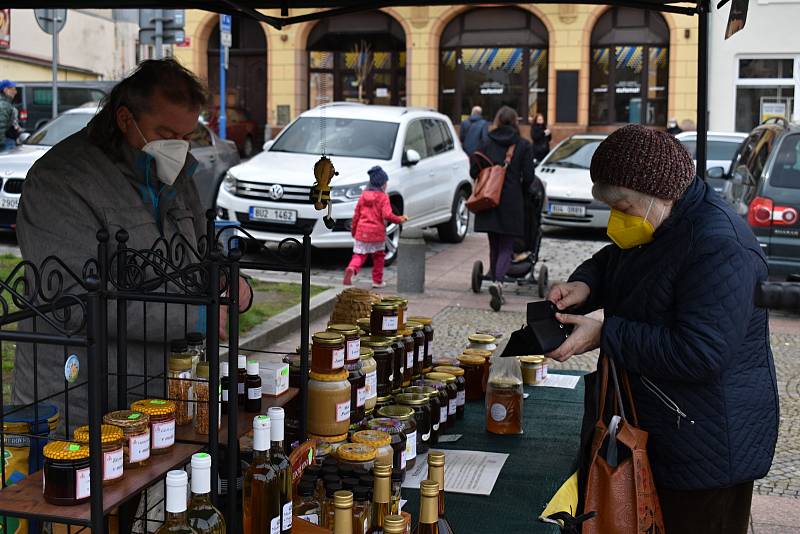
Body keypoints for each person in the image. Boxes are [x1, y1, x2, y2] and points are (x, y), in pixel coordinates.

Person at [546, 124, 778, 534]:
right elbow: (615, 258)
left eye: (624, 208)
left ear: (661, 195)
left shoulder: (720, 246)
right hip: (664, 427)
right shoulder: (663, 221)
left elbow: (700, 353)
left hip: (705, 449)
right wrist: (586, 283)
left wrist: (605, 334)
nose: (617, 220)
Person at [13, 59, 253, 425]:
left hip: (158, 393)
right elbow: (74, 300)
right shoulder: (59, 180)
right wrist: (201, 315)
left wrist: (227, 281)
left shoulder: (175, 174)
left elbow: (201, 254)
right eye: (166, 133)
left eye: (187, 137)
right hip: (77, 400)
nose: (179, 147)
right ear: (125, 119)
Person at [471, 106, 535, 311]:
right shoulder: (523, 144)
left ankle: (494, 281)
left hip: (489, 199)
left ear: (497, 120)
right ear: (515, 121)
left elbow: (474, 169)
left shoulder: (487, 142)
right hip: (511, 200)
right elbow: (530, 177)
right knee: (507, 245)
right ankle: (498, 283)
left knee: (494, 244)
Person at [343, 165, 407, 288]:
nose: (386, 185)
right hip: (377, 233)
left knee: (359, 255)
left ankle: (352, 268)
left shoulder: (363, 197)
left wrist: (354, 231)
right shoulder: (383, 198)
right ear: (382, 184)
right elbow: (387, 214)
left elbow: (356, 215)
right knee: (378, 256)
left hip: (362, 232)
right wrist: (399, 219)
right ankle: (377, 281)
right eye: (386, 183)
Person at [0, 79, 19, 151]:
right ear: (6, 90)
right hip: (5, 143)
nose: (15, 92)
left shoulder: (6, 104)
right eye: (13, 89)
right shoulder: (3, 105)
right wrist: (2, 144)